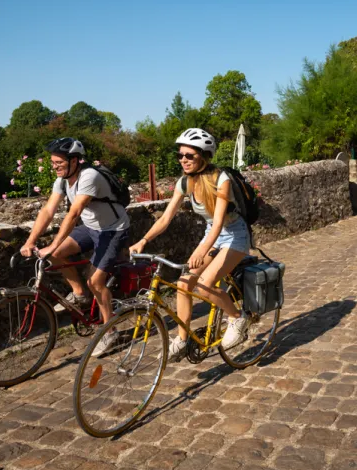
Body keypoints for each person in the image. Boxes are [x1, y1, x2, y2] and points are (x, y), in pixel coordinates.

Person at [130, 128, 251, 362]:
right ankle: (183, 339)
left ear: (204, 156)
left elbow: (218, 223)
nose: (183, 160)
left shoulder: (221, 180)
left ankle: (238, 318)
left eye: (189, 156)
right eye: (180, 156)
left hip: (234, 236)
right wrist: (143, 241)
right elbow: (166, 218)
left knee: (204, 286)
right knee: (183, 284)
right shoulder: (184, 183)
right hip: (212, 236)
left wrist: (201, 250)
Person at [20, 137, 130, 357]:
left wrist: (52, 244)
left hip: (113, 230)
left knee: (95, 281)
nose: (55, 167)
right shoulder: (62, 180)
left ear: (75, 161)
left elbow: (74, 213)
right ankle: (79, 293)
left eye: (59, 162)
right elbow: (48, 211)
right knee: (56, 255)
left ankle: (110, 333)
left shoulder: (89, 176)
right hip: (90, 228)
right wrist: (31, 241)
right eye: (52, 162)